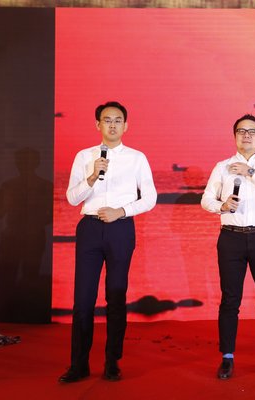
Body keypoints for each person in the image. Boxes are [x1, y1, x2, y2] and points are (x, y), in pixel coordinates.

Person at [59, 101, 157, 383]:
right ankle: (78, 364)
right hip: (89, 229)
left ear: (125, 125)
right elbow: (72, 198)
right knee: (83, 299)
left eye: (117, 120)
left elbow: (150, 198)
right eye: (106, 120)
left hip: (120, 229)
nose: (112, 125)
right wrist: (92, 176)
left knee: (116, 295)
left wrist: (121, 211)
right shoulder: (84, 156)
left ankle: (112, 362)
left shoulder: (137, 158)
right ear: (97, 125)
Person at [201, 114, 255, 380]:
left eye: (252, 132)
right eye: (241, 131)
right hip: (231, 238)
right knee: (230, 300)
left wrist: (251, 173)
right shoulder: (222, 166)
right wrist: (222, 206)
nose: (247, 135)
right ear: (235, 136)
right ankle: (227, 357)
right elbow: (206, 199)